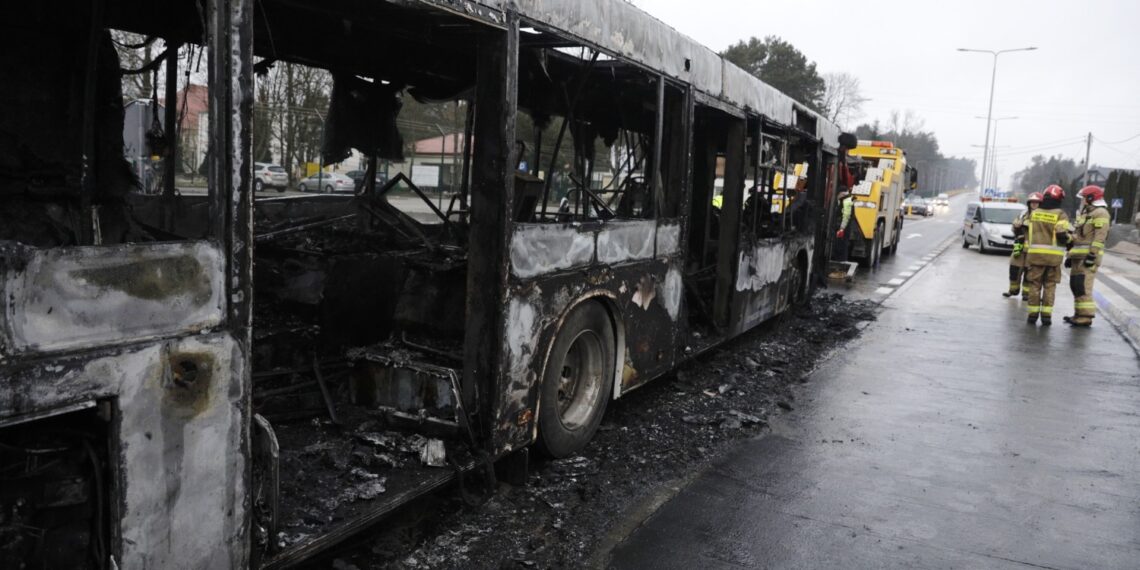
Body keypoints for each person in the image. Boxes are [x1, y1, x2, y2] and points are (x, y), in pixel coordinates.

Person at [1023, 184, 1072, 326]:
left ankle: (1032, 315)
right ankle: (1046, 316)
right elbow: (1062, 234)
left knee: (1034, 285)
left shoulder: (1035, 213)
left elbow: (1024, 227)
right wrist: (1070, 241)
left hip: (1035, 257)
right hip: (1053, 259)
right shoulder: (1060, 214)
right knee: (1050, 286)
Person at [1063, 185, 1111, 327]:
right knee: (1076, 286)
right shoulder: (1086, 213)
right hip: (1078, 257)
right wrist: (1070, 254)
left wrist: (1092, 255)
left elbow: (1100, 236)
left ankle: (1085, 316)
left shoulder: (1101, 213)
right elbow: (1079, 237)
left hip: (1088, 257)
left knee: (1084, 287)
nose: (1082, 200)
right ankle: (1078, 314)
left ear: (1091, 198)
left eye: (1084, 197)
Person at [1004, 192, 1042, 299]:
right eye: (1032, 202)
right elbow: (1014, 226)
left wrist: (1025, 225)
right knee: (1014, 270)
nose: (1034, 204)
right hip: (1019, 247)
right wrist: (1016, 227)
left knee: (1029, 274)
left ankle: (1026, 294)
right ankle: (1012, 290)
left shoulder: (1042, 216)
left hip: (1033, 250)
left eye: (1036, 202)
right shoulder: (1023, 214)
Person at [832, 189, 854, 262]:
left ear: (841, 194)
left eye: (838, 195)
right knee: (841, 244)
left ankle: (841, 262)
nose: (837, 196)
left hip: (843, 228)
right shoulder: (845, 200)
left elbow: (846, 216)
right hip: (843, 227)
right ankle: (841, 260)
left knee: (841, 245)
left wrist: (841, 228)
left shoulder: (846, 202)